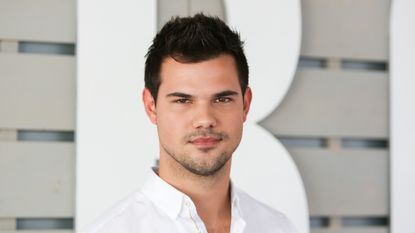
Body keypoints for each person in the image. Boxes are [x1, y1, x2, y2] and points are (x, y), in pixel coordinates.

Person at [82, 13, 296, 233]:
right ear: (151, 106)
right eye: (183, 100)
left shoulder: (278, 227)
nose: (204, 119)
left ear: (245, 104)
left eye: (222, 99)